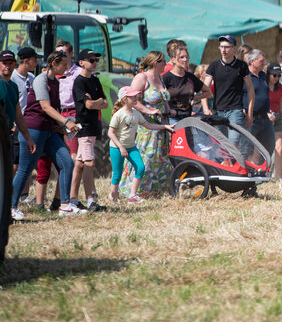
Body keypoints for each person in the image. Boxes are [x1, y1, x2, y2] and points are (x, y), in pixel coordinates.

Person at [11, 50, 83, 218]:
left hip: (49, 130)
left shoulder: (55, 81)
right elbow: (45, 107)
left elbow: (54, 110)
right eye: (64, 65)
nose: (66, 68)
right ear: (53, 64)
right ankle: (11, 206)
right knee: (25, 169)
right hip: (33, 130)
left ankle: (65, 205)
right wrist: (66, 122)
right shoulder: (40, 80)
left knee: (67, 161)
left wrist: (65, 125)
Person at [121, 51, 171, 197]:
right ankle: (137, 190)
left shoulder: (160, 78)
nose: (165, 64)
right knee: (147, 157)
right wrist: (149, 111)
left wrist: (169, 111)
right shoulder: (141, 78)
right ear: (156, 63)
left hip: (161, 126)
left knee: (160, 158)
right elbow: (132, 100)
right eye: (163, 62)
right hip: (146, 126)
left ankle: (157, 190)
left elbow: (163, 100)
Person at [108, 87, 171, 204]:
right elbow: (110, 133)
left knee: (140, 168)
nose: (135, 97)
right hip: (117, 148)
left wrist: (164, 127)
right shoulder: (119, 115)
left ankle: (132, 195)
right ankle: (113, 196)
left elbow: (148, 125)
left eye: (136, 95)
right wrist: (121, 147)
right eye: (132, 96)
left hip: (131, 147)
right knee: (117, 173)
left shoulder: (136, 113)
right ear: (125, 99)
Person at [71, 49, 108, 211]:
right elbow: (88, 105)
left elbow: (105, 103)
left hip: (93, 126)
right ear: (81, 63)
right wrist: (96, 102)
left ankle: (72, 199)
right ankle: (90, 200)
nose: (94, 62)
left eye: (95, 60)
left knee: (79, 164)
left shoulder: (95, 80)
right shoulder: (79, 82)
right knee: (89, 163)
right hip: (84, 127)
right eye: (91, 60)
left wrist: (97, 102)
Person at [2, 49, 35, 220]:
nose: (7, 66)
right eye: (4, 63)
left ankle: (8, 209)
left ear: (15, 64)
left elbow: (18, 114)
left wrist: (28, 137)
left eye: (10, 63)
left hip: (7, 134)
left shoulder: (13, 86)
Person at [202, 35, 254, 137]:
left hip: (235, 110)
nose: (223, 50)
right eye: (221, 47)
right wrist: (205, 109)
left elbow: (250, 88)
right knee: (221, 145)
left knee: (234, 143)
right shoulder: (214, 66)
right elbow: (204, 88)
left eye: (226, 47)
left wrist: (250, 112)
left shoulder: (242, 66)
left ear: (234, 48)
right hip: (218, 111)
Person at [162, 45, 211, 123]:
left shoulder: (190, 77)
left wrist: (193, 97)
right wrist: (168, 112)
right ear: (173, 59)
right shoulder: (166, 78)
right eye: (181, 57)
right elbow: (160, 98)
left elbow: (208, 92)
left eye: (187, 57)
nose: (185, 60)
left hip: (188, 118)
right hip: (172, 119)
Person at [266, 63, 282, 178]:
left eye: (279, 76)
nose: (277, 78)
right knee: (265, 147)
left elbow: (281, 108)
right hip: (265, 118)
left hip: (278, 118)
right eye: (274, 75)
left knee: (280, 147)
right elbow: (258, 103)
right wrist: (267, 114)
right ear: (268, 75)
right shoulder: (263, 86)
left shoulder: (281, 88)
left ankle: (277, 176)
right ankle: (264, 172)